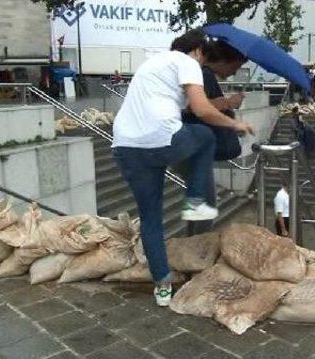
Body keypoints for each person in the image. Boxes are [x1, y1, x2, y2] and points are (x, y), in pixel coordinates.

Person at [111, 29, 254, 307]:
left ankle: (162, 286)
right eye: (203, 58)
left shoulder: (153, 63)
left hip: (126, 147)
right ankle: (197, 201)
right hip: (163, 139)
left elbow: (188, 105)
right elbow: (201, 110)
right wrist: (235, 123)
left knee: (150, 218)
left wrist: (221, 104)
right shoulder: (188, 62)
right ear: (198, 51)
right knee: (204, 137)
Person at [180, 40, 248, 236]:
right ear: (227, 60)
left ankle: (190, 244)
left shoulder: (200, 73)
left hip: (189, 145)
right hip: (196, 147)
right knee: (206, 204)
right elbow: (197, 107)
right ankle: (196, 249)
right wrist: (229, 103)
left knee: (197, 201)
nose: (235, 71)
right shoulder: (204, 74)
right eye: (237, 65)